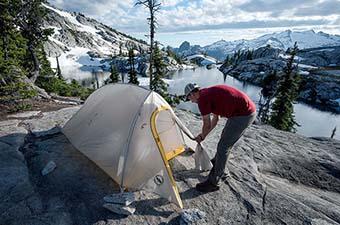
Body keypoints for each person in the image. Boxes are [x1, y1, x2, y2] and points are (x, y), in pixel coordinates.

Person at [184, 83, 256, 192]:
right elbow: (215, 120)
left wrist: (202, 136)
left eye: (189, 98)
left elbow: (207, 124)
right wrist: (203, 136)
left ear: (192, 94)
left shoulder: (203, 100)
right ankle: (218, 164)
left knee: (223, 147)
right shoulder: (206, 94)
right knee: (225, 140)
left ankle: (214, 181)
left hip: (242, 115)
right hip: (244, 112)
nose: (191, 101)